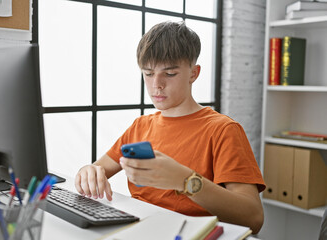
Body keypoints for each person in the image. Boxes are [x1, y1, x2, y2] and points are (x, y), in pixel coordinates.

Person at [74, 21, 265, 233]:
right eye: (148, 73)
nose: (157, 84)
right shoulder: (140, 126)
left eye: (170, 74)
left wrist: (185, 181)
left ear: (193, 73)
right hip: (140, 231)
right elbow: (98, 168)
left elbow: (253, 218)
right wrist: (87, 171)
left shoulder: (223, 130)